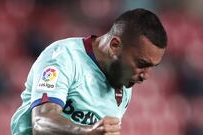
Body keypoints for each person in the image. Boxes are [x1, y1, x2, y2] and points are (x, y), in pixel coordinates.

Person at [11, 8, 167, 135]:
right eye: (141, 63)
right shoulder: (64, 57)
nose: (146, 76)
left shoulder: (124, 85)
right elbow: (41, 123)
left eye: (151, 67)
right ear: (114, 45)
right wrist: (85, 131)